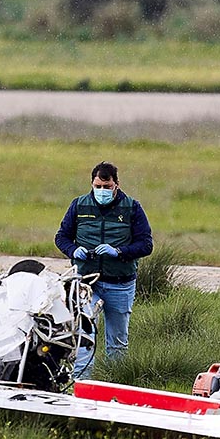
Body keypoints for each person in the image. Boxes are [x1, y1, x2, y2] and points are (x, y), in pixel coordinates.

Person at [55, 161, 153, 380]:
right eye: (98, 186)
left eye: (106, 187)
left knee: (117, 342)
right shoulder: (79, 205)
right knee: (84, 337)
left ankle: (114, 383)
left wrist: (118, 252)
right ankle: (81, 385)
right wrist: (73, 250)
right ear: (92, 183)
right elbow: (61, 237)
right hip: (86, 284)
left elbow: (146, 244)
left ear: (116, 185)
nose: (102, 191)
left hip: (120, 283)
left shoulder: (131, 207)